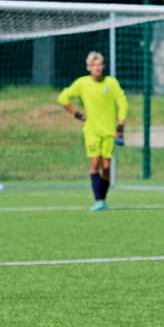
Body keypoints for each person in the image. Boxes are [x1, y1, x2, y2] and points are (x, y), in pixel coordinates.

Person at [57, 51, 128, 211]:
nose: (98, 68)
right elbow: (62, 98)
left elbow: (123, 103)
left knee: (106, 166)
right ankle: (98, 200)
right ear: (88, 67)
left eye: (100, 64)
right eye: (94, 65)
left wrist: (120, 124)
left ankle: (103, 199)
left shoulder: (111, 83)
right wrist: (77, 114)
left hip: (109, 132)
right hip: (92, 131)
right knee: (95, 163)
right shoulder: (82, 83)